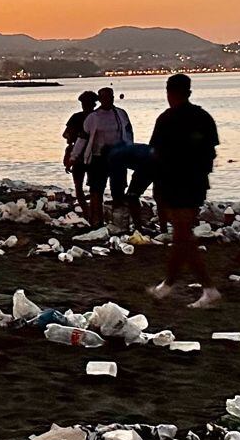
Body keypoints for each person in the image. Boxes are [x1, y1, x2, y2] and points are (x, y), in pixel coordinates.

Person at [148, 73, 221, 307]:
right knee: (181, 234)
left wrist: (157, 184)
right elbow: (211, 153)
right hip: (196, 183)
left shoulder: (166, 119)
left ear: (169, 93)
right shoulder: (203, 117)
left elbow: (156, 155)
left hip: (173, 183)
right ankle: (167, 284)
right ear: (188, 92)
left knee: (183, 236)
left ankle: (208, 288)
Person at [79, 87, 135, 223]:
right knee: (96, 189)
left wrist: (129, 149)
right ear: (100, 99)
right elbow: (83, 138)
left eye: (110, 97)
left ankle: (119, 219)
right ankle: (96, 220)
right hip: (98, 157)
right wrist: (74, 156)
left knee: (119, 188)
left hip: (118, 156)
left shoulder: (121, 114)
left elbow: (128, 132)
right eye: (104, 98)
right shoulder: (93, 117)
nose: (108, 100)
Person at [62, 90, 96, 203]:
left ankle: (86, 211)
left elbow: (66, 135)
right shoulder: (98, 117)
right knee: (94, 188)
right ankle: (93, 211)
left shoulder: (76, 117)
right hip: (94, 155)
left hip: (79, 156)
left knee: (78, 186)